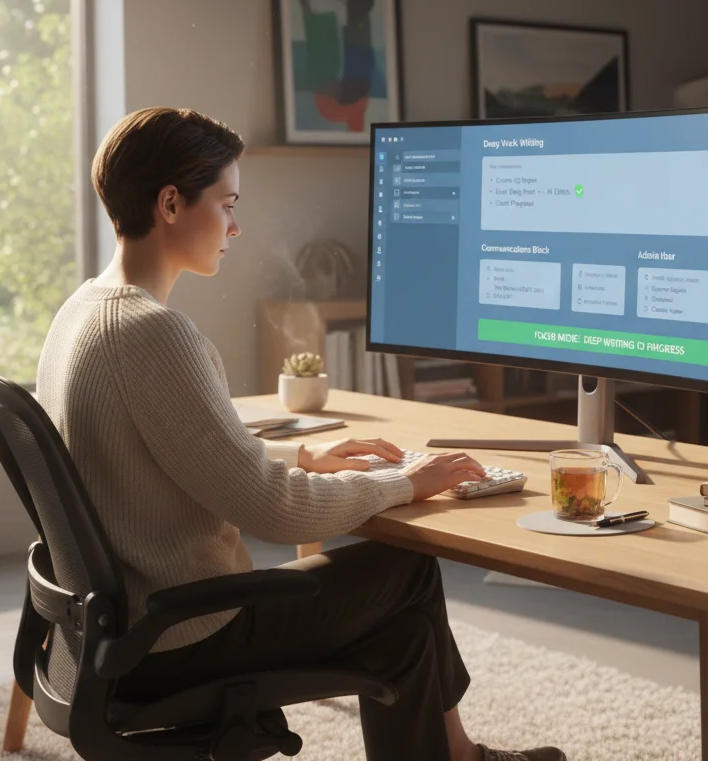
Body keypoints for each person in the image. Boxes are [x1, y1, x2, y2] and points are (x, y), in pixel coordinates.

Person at [36, 106, 566, 761]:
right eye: (227, 204)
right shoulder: (152, 332)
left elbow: (175, 451)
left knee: (398, 632)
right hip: (180, 636)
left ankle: (458, 757)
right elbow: (274, 511)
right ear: (170, 204)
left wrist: (305, 454)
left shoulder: (82, 310)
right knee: (407, 572)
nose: (235, 226)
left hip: (117, 638)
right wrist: (403, 483)